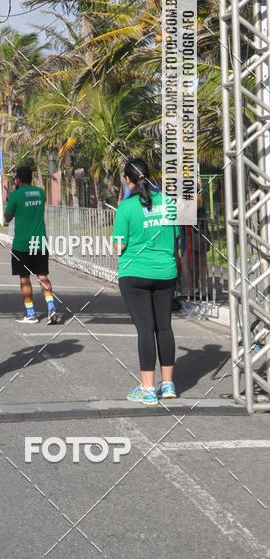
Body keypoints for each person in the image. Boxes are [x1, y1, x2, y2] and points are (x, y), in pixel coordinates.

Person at [112, 158, 180, 405]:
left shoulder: (126, 207)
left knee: (145, 329)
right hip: (166, 272)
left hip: (135, 274)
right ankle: (169, 385)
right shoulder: (169, 203)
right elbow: (175, 239)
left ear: (128, 181)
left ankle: (148, 388)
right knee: (164, 327)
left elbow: (120, 246)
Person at [4, 165, 58, 325]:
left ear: (18, 179)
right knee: (42, 276)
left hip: (22, 244)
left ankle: (31, 313)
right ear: (31, 178)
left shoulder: (15, 195)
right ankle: (51, 306)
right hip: (40, 242)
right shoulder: (41, 193)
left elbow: (7, 218)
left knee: (24, 279)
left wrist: (14, 193)